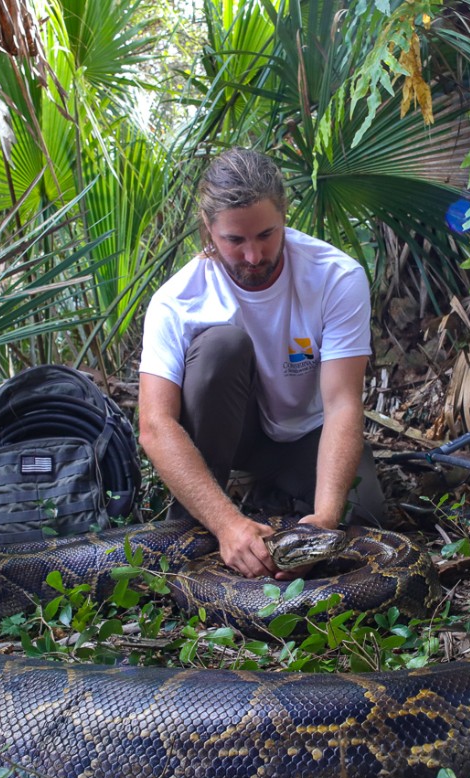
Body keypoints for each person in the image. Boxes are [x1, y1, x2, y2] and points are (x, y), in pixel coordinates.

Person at [138, 148, 386, 577]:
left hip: (306, 434)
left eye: (266, 235)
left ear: (284, 215)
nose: (253, 256)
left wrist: (324, 521)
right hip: (235, 439)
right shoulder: (176, 301)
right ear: (208, 231)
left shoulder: (336, 276)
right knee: (220, 348)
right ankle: (191, 525)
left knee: (365, 521)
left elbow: (343, 405)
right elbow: (155, 426)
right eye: (235, 241)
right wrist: (226, 524)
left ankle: (277, 496)